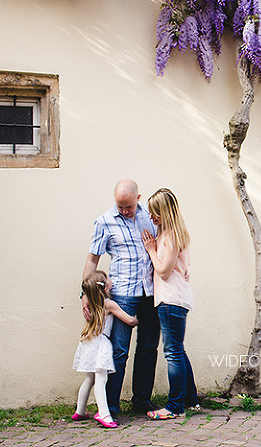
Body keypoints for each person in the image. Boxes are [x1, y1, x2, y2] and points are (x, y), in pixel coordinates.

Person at [83, 179, 160, 420]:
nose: (124, 211)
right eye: (120, 206)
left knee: (148, 348)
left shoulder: (151, 216)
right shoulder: (104, 221)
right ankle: (110, 407)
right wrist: (86, 293)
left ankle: (142, 401)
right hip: (123, 295)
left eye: (129, 206)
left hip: (152, 292)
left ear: (139, 198)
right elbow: (92, 260)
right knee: (118, 351)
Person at [141, 188, 200, 419]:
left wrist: (151, 249)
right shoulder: (170, 233)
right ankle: (191, 400)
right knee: (178, 350)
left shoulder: (170, 235)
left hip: (170, 299)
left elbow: (164, 271)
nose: (151, 216)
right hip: (175, 298)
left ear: (165, 212)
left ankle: (175, 407)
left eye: (155, 213)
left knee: (173, 352)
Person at [72, 271, 138, 428]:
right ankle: (104, 413)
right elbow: (128, 320)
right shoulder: (109, 304)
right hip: (101, 345)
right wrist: (138, 320)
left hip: (89, 342)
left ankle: (80, 411)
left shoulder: (92, 304)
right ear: (105, 286)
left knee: (90, 379)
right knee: (101, 379)